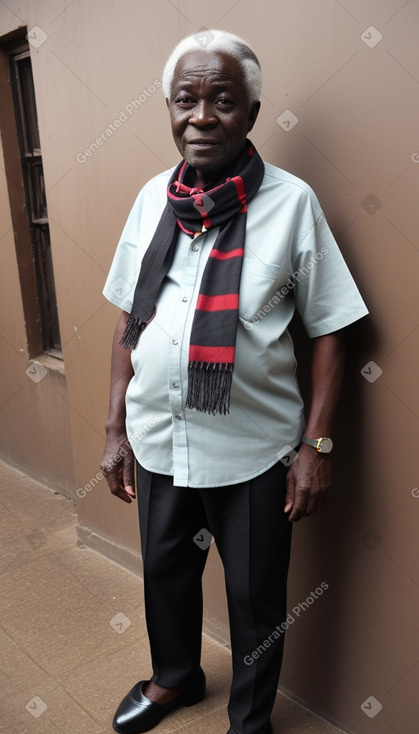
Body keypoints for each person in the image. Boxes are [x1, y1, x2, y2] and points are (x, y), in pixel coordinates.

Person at [100, 29, 368, 734]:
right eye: (185, 100)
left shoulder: (291, 204)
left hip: (251, 450)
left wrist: (317, 447)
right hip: (159, 437)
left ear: (250, 112)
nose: (200, 116)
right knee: (165, 575)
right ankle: (174, 678)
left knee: (254, 597)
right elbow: (131, 321)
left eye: (221, 100)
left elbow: (331, 330)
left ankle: (249, 721)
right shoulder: (152, 199)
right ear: (168, 108)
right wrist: (114, 428)